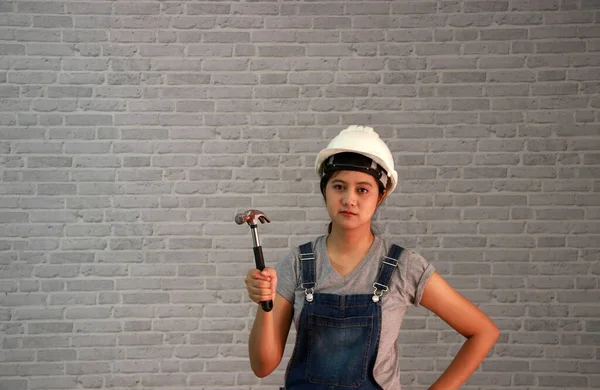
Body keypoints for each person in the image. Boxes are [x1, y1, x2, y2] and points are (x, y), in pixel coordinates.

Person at [244, 125, 500, 390]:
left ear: (381, 195)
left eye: (363, 189)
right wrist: (266, 302)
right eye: (339, 186)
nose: (349, 199)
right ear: (325, 190)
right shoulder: (297, 264)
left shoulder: (403, 267)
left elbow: (483, 332)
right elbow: (262, 367)